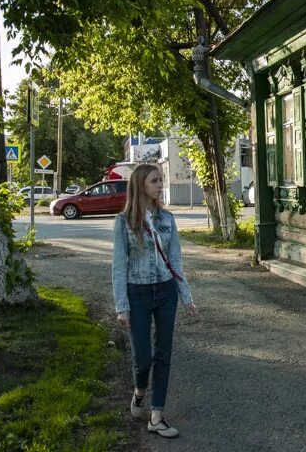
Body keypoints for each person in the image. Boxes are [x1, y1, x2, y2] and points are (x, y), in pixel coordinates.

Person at [112, 164, 197, 438]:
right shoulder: (124, 222)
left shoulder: (168, 219)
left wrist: (187, 298)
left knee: (163, 354)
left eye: (161, 180)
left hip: (165, 292)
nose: (160, 185)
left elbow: (175, 261)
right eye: (155, 181)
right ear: (141, 185)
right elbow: (118, 266)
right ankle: (139, 392)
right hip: (137, 293)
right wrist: (121, 306)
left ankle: (157, 415)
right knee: (144, 358)